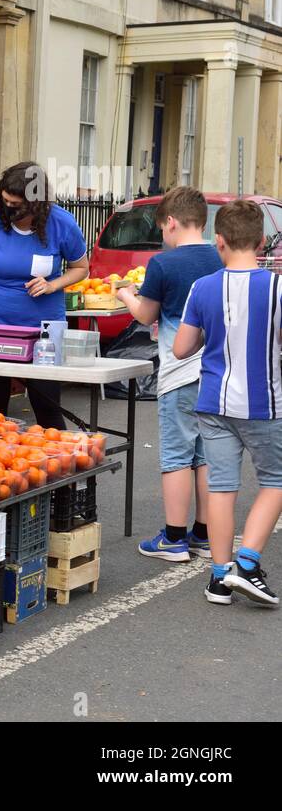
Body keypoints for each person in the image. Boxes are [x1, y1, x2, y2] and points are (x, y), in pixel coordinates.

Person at [174, 199, 282, 606]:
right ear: (261, 242)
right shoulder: (277, 288)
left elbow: (183, 348)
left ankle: (219, 577)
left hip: (213, 402)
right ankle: (248, 563)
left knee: (221, 487)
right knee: (274, 481)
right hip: (263, 403)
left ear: (218, 242)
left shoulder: (202, 288)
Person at [116, 188, 222, 563]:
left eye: (163, 228)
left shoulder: (164, 264)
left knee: (176, 456)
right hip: (216, 372)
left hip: (179, 372)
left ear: (172, 222)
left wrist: (127, 294)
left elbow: (146, 315)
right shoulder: (218, 257)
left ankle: (174, 538)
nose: (163, 235)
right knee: (206, 455)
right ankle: (205, 534)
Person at [0, 161, 89, 429]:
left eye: (16, 205)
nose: (8, 209)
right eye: (5, 201)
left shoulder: (62, 223)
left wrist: (53, 285)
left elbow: (81, 269)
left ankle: (57, 464)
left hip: (42, 332)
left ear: (36, 204)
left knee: (47, 407)